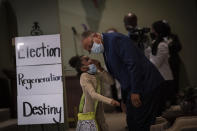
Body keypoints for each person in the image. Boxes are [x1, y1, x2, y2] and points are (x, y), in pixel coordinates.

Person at [80, 30, 166, 131]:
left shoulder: (115, 39)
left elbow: (133, 64)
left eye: (90, 46)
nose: (92, 50)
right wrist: (124, 100)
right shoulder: (106, 47)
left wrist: (135, 91)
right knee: (132, 122)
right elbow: (121, 75)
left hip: (146, 84)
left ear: (96, 36)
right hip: (133, 87)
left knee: (140, 124)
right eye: (89, 50)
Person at [69, 55, 120, 131]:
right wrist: (110, 101)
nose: (91, 61)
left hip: (98, 108)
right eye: (87, 60)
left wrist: (100, 68)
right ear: (83, 68)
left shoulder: (95, 73)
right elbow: (93, 94)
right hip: (89, 110)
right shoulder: (84, 76)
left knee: (102, 124)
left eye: (89, 58)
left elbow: (111, 81)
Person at [149, 20, 177, 105]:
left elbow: (156, 63)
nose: (151, 31)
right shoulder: (154, 42)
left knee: (164, 107)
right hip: (158, 78)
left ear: (157, 31)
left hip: (164, 78)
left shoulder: (162, 45)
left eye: (152, 29)